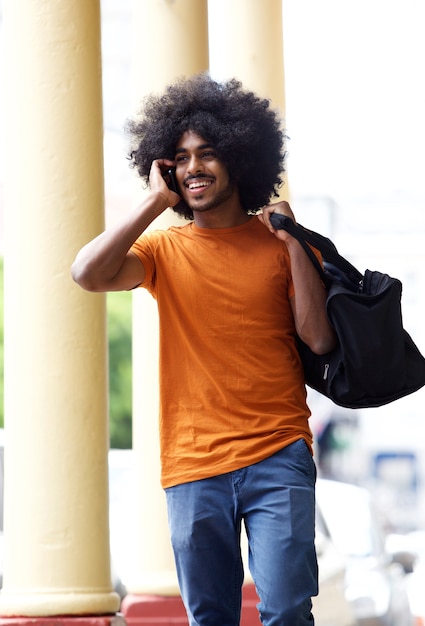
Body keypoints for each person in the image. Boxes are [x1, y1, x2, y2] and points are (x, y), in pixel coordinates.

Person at [71, 73, 336, 626]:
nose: (194, 167)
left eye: (208, 153)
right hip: (193, 462)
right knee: (210, 615)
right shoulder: (163, 250)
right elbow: (87, 274)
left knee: (287, 609)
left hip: (277, 451)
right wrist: (152, 201)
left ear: (239, 158)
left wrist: (294, 242)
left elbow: (317, 338)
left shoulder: (281, 243)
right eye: (180, 158)